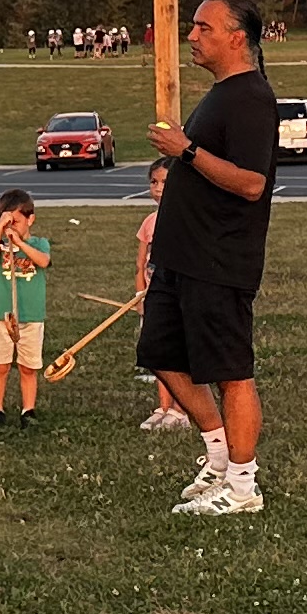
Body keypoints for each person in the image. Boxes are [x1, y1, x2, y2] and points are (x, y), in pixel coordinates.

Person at [139, 0, 280, 515]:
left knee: (230, 371)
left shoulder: (251, 98)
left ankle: (243, 489)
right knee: (160, 354)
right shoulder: (221, 93)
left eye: (204, 28)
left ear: (237, 38)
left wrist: (187, 151)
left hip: (221, 258)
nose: (192, 36)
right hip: (182, 256)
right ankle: (219, 456)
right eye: (193, 27)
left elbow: (250, 183)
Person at [0, 190, 50, 423]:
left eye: (16, 221)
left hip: (30, 316)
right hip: (2, 315)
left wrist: (20, 243)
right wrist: (0, 228)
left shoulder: (39, 243)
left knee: (27, 367)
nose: (11, 227)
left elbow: (43, 261)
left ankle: (28, 409)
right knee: (0, 366)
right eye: (6, 221)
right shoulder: (0, 246)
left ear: (30, 219)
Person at [133, 155, 185, 432]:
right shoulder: (149, 223)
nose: (158, 188)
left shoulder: (184, 219)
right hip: (153, 297)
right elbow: (140, 264)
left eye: (165, 182)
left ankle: (181, 409)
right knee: (158, 355)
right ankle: (163, 407)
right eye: (154, 182)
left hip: (178, 296)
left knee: (178, 355)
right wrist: (141, 294)